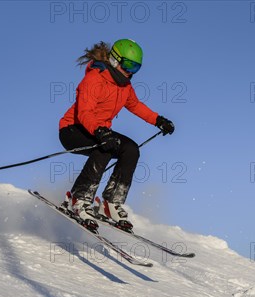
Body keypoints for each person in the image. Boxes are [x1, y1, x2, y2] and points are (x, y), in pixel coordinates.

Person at [58, 39, 175, 230]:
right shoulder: (95, 78)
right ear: (114, 60)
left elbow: (135, 105)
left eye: (136, 68)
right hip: (73, 129)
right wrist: (100, 132)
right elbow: (85, 112)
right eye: (129, 65)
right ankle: (79, 199)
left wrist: (158, 120)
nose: (131, 71)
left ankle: (111, 203)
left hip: (100, 132)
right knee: (104, 147)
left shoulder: (125, 86)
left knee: (131, 149)